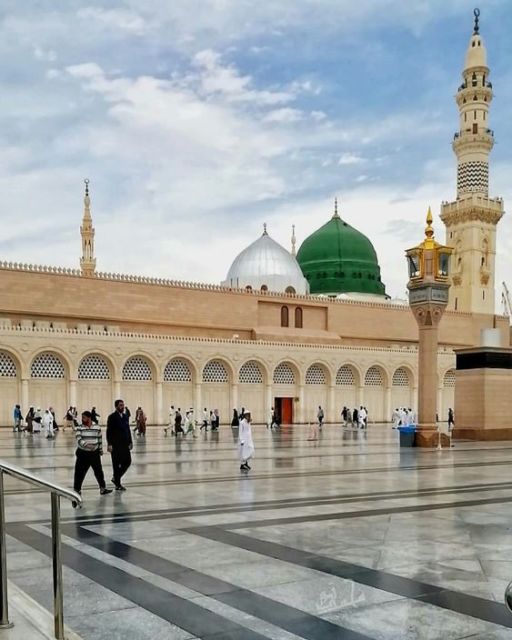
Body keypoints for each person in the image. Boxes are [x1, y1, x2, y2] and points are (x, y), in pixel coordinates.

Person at [72, 410, 113, 507]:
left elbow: (99, 439)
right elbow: (78, 439)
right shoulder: (80, 428)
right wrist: (86, 445)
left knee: (98, 471)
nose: (82, 420)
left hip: (94, 454)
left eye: (84, 418)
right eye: (82, 418)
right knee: (79, 473)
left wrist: (100, 450)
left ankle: (102, 488)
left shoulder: (97, 427)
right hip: (83, 453)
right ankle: (77, 490)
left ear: (89, 418)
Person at [106, 399, 133, 491]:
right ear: (116, 406)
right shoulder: (112, 417)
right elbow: (109, 431)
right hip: (116, 445)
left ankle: (116, 478)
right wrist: (109, 444)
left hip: (125, 444)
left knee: (128, 461)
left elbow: (128, 430)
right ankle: (118, 484)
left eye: (123, 405)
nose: (122, 407)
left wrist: (130, 442)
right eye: (121, 405)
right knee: (116, 464)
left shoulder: (125, 416)